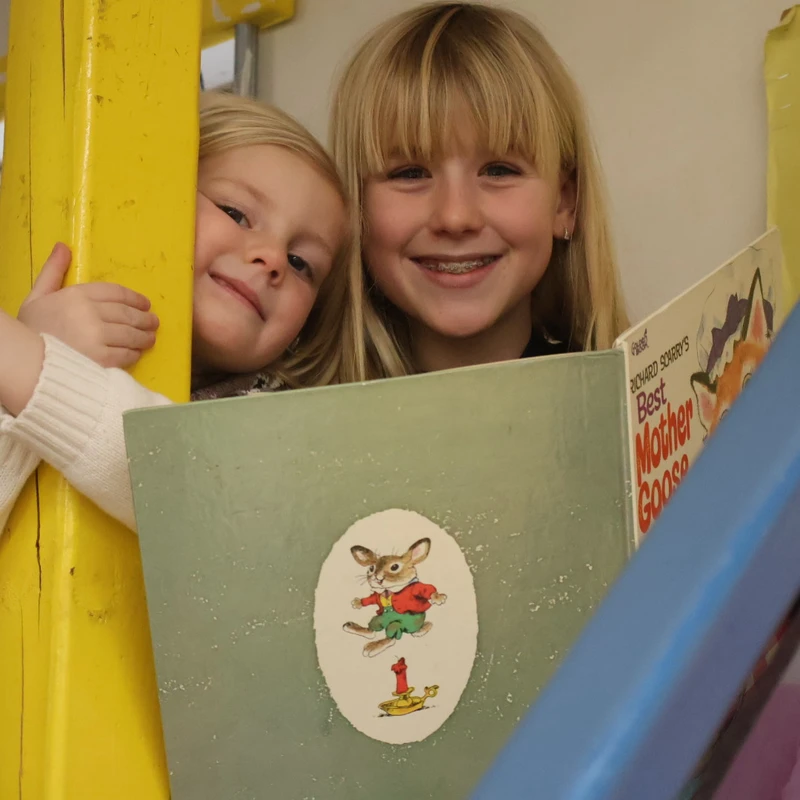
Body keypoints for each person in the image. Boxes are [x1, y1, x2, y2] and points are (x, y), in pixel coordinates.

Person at [0, 91, 355, 532]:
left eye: (302, 264)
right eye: (236, 213)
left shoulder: (284, 429)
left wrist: (28, 359)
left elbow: (187, 481)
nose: (273, 258)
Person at [330, 1, 629, 379]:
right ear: (354, 205)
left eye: (499, 170)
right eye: (409, 173)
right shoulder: (283, 413)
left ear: (564, 202)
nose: (455, 217)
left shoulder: (639, 413)